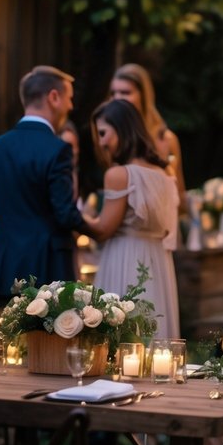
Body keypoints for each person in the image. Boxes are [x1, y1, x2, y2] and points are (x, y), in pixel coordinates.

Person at [0, 65, 92, 298]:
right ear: (54, 97)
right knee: (50, 336)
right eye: (69, 99)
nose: (71, 106)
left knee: (8, 334)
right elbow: (64, 213)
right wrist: (97, 228)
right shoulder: (57, 149)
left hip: (6, 263)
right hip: (48, 266)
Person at [88, 98, 180, 338]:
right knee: (152, 330)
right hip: (157, 261)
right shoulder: (164, 172)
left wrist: (73, 216)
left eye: (104, 133)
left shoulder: (119, 175)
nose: (101, 142)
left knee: (121, 331)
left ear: (122, 128)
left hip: (125, 258)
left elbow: (104, 229)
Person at [110, 63, 187, 206]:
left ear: (143, 96)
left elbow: (180, 196)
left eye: (125, 93)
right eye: (113, 93)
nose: (117, 99)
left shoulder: (164, 139)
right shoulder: (109, 137)